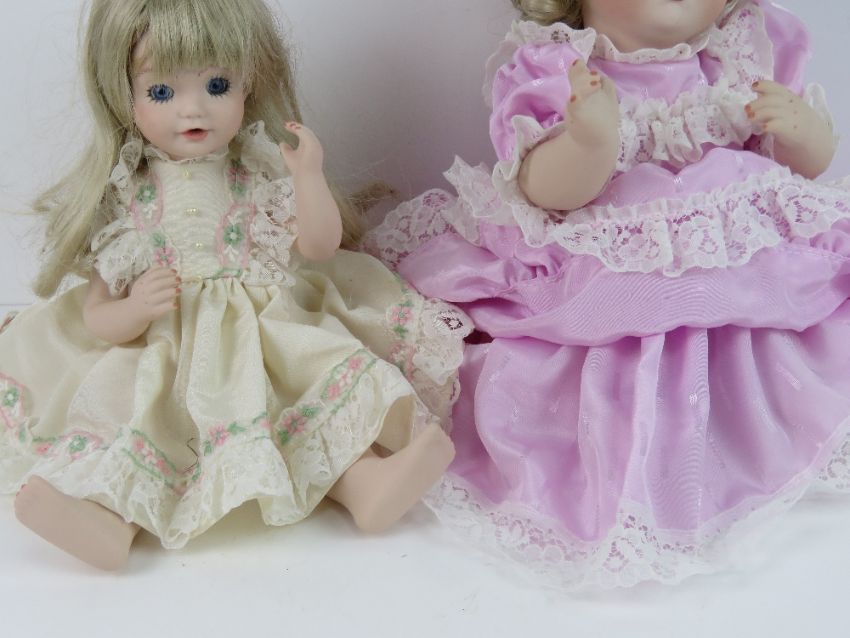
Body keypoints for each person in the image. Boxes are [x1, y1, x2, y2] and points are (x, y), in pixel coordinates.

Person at [365, 0, 850, 589]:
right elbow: (545, 193)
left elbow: (804, 171)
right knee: (632, 308)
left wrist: (803, 134)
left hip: (744, 260)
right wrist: (589, 142)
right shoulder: (558, 68)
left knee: (782, 309)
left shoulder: (740, 54)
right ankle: (653, 454)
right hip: (611, 257)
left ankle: (748, 423)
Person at [0, 0, 470, 571]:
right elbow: (98, 313)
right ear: (123, 95)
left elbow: (320, 246)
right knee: (142, 421)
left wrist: (308, 177)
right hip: (168, 346)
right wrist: (135, 310)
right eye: (162, 92)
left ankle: (367, 484)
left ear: (250, 82)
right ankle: (107, 521)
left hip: (265, 335)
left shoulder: (256, 169)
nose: (193, 109)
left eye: (217, 85)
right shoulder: (130, 192)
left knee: (307, 402)